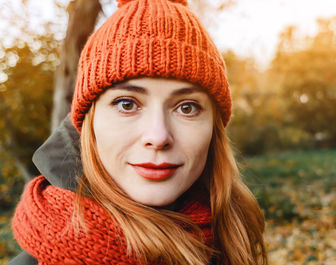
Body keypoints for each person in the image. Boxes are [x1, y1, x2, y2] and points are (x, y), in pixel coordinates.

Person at [9, 0, 267, 264]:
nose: (158, 137)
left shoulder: (233, 241)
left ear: (214, 128)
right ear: (90, 123)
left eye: (187, 108)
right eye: (127, 104)